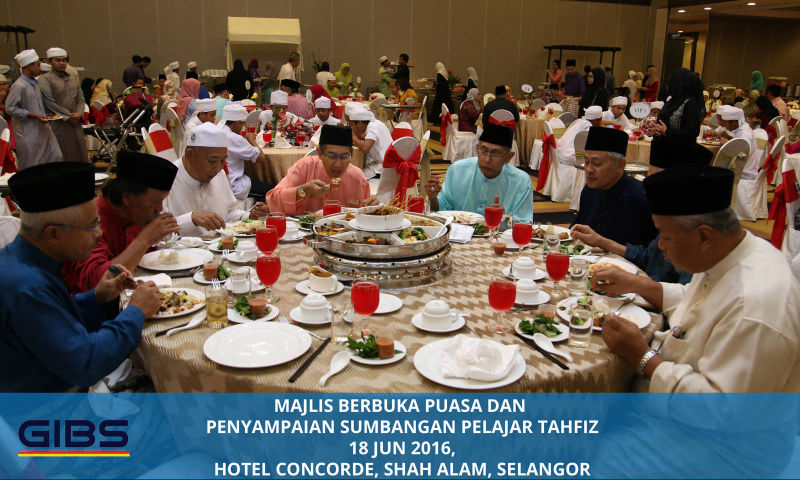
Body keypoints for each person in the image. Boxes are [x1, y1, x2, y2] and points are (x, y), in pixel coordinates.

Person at [598, 164, 800, 392]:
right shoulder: (732, 251)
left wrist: (641, 356)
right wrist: (636, 284)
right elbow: (700, 300)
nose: (660, 245)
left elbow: (717, 408)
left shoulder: (754, 308)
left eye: (665, 236)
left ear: (704, 236)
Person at [0, 162, 161, 391]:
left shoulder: (24, 261)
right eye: (92, 226)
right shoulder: (26, 287)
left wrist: (96, 298)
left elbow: (55, 326)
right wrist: (136, 311)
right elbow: (86, 363)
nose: (100, 233)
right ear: (53, 234)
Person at [62, 152, 179, 294]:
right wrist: (144, 240)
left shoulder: (136, 215)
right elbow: (95, 283)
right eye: (155, 202)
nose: (159, 209)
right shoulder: (89, 222)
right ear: (127, 197)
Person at [163, 122, 268, 236]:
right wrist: (191, 219)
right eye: (212, 161)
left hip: (221, 244)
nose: (218, 168)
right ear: (190, 155)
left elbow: (229, 213)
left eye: (222, 161)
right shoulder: (166, 179)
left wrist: (250, 215)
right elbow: (157, 231)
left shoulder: (219, 174)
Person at [425, 124, 532, 221]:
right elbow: (443, 208)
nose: (487, 159)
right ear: (477, 149)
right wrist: (433, 198)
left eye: (496, 154)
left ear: (509, 157)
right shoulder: (458, 170)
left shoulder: (521, 181)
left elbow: (524, 223)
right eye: (483, 151)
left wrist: (504, 218)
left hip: (499, 235)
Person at [572, 127, 657, 246]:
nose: (589, 170)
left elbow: (651, 253)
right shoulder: (589, 190)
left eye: (597, 163)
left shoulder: (641, 197)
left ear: (620, 165)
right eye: (586, 162)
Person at [266, 125, 373, 215]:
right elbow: (273, 198)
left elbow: (363, 209)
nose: (338, 164)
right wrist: (305, 190)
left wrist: (371, 207)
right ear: (320, 153)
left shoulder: (357, 177)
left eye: (344, 157)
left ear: (352, 154)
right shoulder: (305, 167)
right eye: (332, 156)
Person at [5, 49, 63, 169]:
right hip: (28, 132)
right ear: (29, 66)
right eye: (37, 65)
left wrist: (43, 114)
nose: (39, 68)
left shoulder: (34, 84)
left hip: (42, 129)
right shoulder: (19, 85)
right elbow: (10, 108)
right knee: (32, 166)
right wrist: (32, 115)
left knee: (56, 157)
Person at [38, 47, 89, 164]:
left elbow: (81, 100)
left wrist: (79, 114)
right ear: (50, 62)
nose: (61, 63)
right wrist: (68, 117)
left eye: (64, 60)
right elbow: (49, 102)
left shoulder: (73, 78)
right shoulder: (45, 79)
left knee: (80, 154)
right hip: (58, 123)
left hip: (75, 123)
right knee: (63, 156)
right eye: (58, 60)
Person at [219, 104, 270, 202]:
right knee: (271, 191)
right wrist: (252, 140)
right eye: (242, 124)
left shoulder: (219, 130)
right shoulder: (234, 138)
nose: (243, 127)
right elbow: (261, 158)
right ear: (236, 123)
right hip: (234, 185)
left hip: (221, 182)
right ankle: (258, 210)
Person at [651, 68, 704, 145]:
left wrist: (667, 132)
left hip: (680, 148)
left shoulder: (690, 103)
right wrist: (657, 130)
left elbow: (692, 132)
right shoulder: (671, 101)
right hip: (664, 146)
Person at [349, 105, 392, 181]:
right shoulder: (376, 123)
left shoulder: (372, 127)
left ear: (359, 123)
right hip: (384, 163)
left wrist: (352, 135)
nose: (352, 127)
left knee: (354, 177)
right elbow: (364, 137)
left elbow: (365, 148)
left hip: (383, 167)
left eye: (352, 125)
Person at [715, 105, 758, 179]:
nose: (724, 126)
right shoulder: (741, 129)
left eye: (726, 123)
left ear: (734, 122)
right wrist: (729, 138)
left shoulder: (744, 133)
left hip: (744, 174)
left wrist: (726, 145)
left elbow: (741, 156)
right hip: (742, 170)